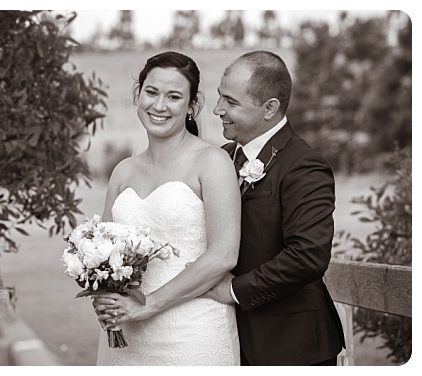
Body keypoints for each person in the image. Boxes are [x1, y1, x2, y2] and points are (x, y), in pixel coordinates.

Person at [91, 51, 242, 365]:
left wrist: (149, 304)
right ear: (138, 95)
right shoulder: (122, 172)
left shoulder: (213, 162)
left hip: (193, 332)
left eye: (174, 96)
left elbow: (224, 255)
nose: (159, 106)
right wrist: (103, 297)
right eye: (151, 92)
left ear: (192, 106)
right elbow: (103, 254)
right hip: (126, 336)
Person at [202, 50, 345, 365]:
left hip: (292, 346)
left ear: (270, 108)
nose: (217, 109)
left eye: (231, 102)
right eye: (219, 97)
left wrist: (236, 290)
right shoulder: (219, 159)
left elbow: (308, 255)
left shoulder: (304, 166)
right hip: (222, 341)